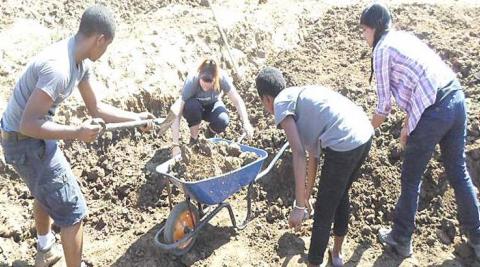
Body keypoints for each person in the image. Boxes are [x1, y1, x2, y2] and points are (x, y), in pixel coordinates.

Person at [0, 5, 154, 267]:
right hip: (23, 141)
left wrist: (136, 118)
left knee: (46, 192)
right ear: (100, 39)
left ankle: (46, 250)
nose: (104, 53)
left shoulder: (79, 61)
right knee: (73, 212)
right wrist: (77, 133)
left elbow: (96, 108)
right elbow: (28, 124)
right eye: (106, 47)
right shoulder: (58, 68)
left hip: (31, 137)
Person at [360, 2, 480, 259]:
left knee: (411, 177)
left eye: (364, 30)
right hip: (456, 98)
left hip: (434, 109)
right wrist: (406, 127)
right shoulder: (402, 38)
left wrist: (363, 131)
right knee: (458, 171)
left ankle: (401, 239)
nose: (363, 36)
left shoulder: (382, 49)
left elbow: (383, 107)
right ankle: (478, 238)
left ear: (375, 28)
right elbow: (417, 86)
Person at [255, 67, 373, 267]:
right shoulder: (301, 97)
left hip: (344, 142)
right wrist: (306, 196)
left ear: (266, 99)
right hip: (364, 135)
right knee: (340, 194)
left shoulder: (281, 104)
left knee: (324, 211)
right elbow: (313, 157)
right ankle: (336, 254)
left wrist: (299, 206)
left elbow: (298, 154)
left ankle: (314, 263)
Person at [170, 58, 253, 156]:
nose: (205, 88)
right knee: (193, 106)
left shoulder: (221, 77)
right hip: (194, 107)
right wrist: (175, 145)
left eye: (209, 85)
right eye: (203, 84)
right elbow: (176, 112)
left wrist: (246, 122)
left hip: (212, 105)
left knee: (223, 120)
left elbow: (237, 101)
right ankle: (194, 139)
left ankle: (209, 136)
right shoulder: (192, 80)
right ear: (199, 76)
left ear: (215, 79)